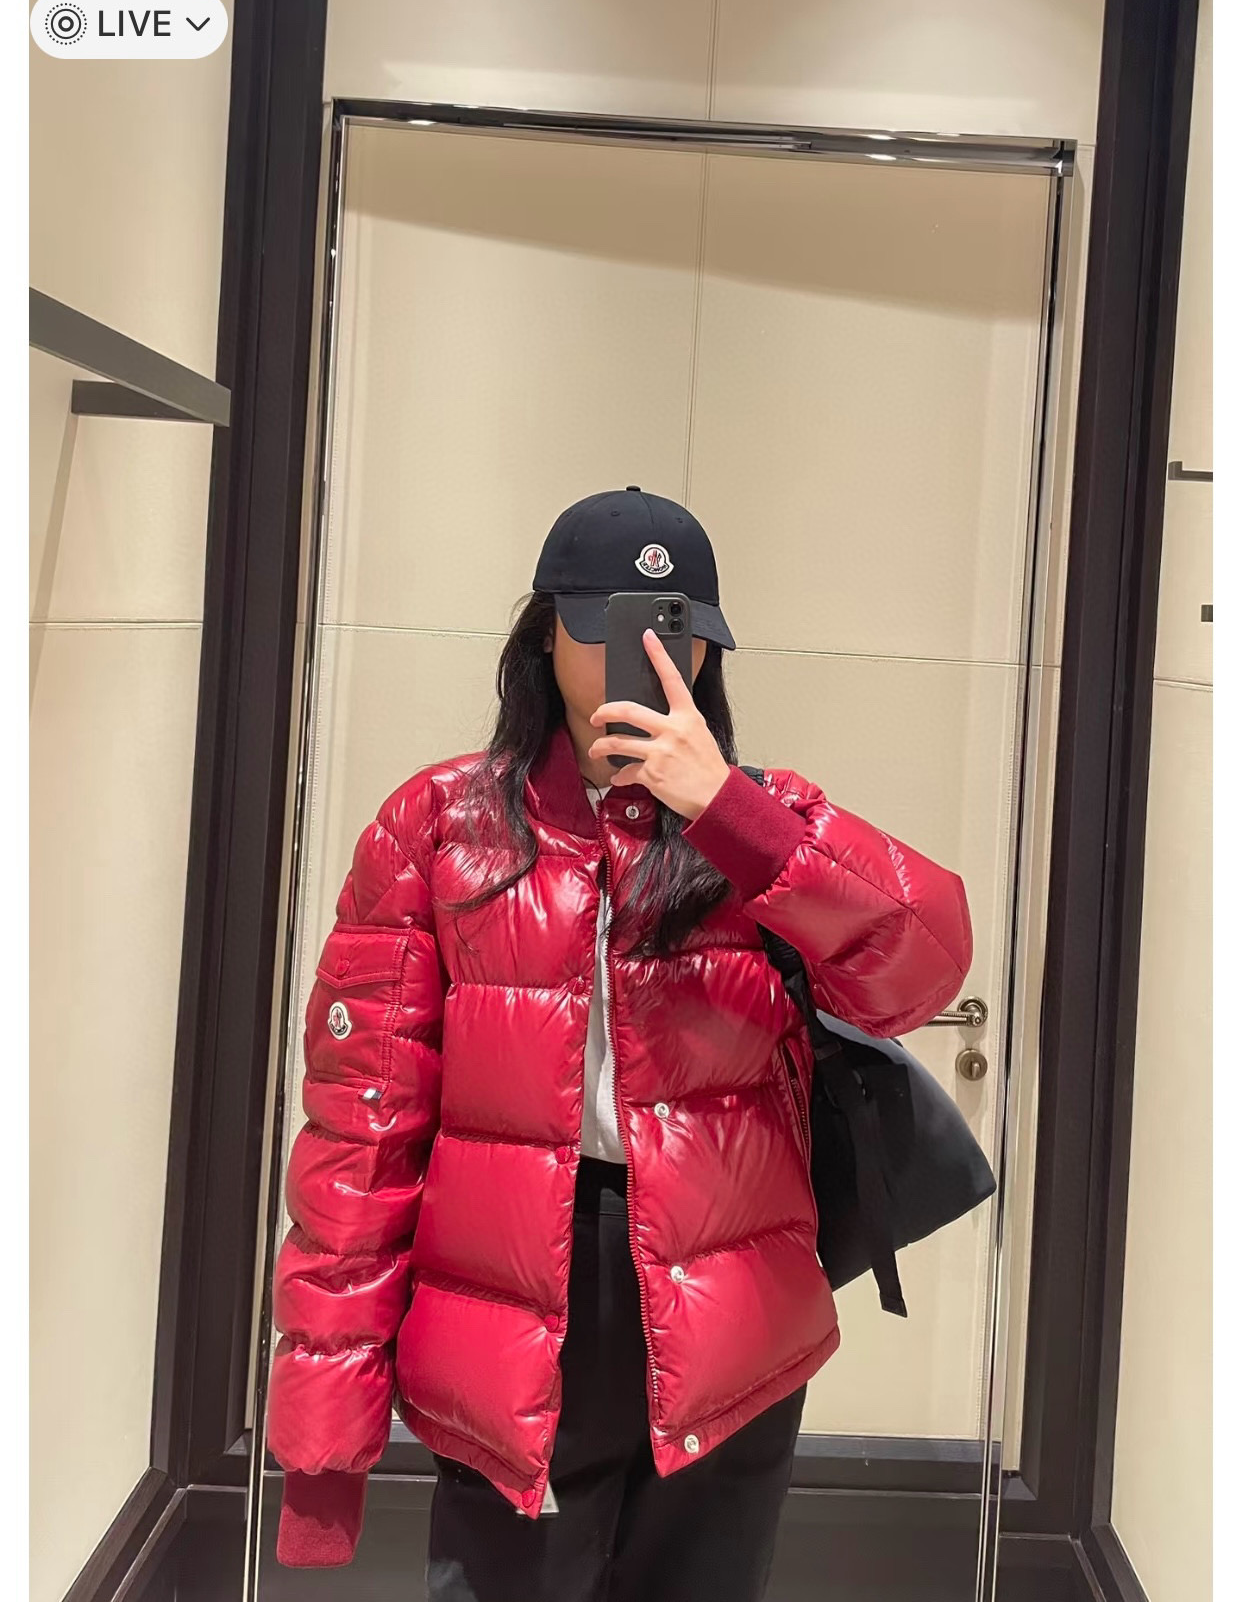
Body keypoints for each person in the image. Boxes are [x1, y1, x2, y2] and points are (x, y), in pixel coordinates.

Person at [268, 486, 973, 1599]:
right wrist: (323, 1451)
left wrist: (727, 808)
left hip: (733, 1312)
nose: (640, 659)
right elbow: (361, 1136)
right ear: (543, 634)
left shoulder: (761, 824)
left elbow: (923, 961)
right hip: (509, 1304)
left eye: (672, 633)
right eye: (603, 629)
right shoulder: (439, 827)